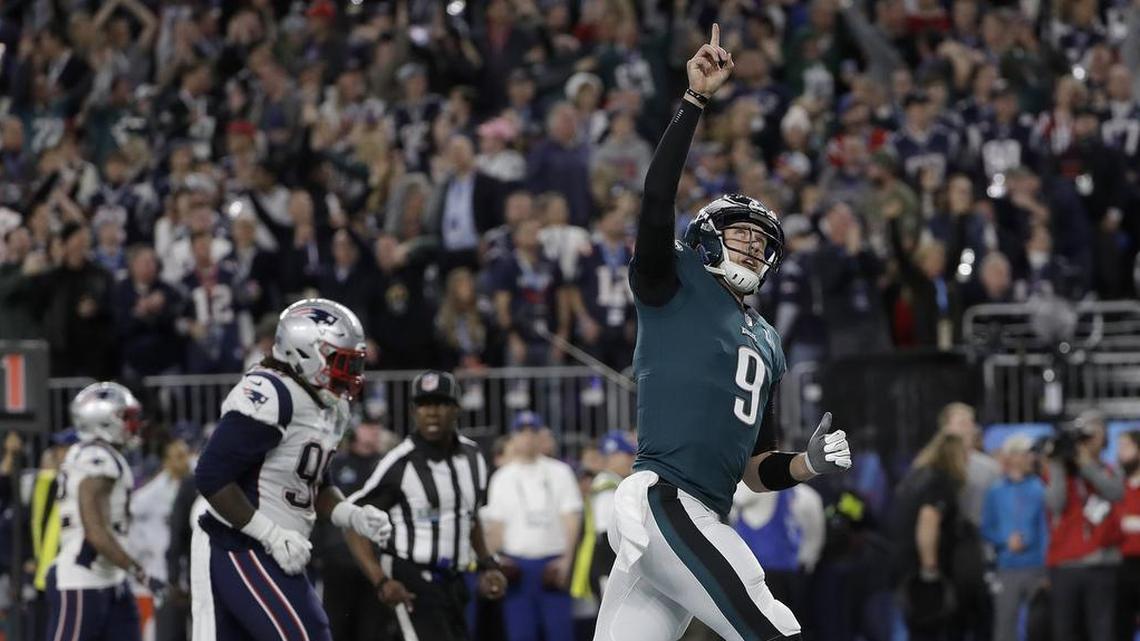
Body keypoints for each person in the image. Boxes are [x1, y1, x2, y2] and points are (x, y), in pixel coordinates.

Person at [593, 26, 853, 641]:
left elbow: (755, 469)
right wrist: (694, 101)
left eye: (763, 241)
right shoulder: (676, 282)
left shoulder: (767, 339)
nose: (754, 245)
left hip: (700, 511)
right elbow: (657, 197)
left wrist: (807, 465)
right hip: (665, 500)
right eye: (742, 233)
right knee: (771, 627)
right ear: (706, 237)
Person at [190, 298, 393, 641]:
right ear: (305, 352)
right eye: (341, 361)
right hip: (238, 542)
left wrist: (351, 515)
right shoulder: (272, 392)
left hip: (279, 547)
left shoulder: (330, 405)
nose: (351, 372)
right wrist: (270, 533)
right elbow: (210, 475)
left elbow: (313, 483)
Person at [344, 370, 507, 641]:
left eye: (440, 403)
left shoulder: (473, 457)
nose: (432, 412)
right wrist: (380, 580)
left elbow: (470, 517)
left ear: (456, 409)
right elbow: (353, 521)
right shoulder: (399, 463)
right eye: (424, 404)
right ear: (413, 411)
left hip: (455, 580)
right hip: (411, 581)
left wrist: (488, 564)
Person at [47, 382, 158, 641]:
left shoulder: (100, 454)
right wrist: (139, 572)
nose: (134, 424)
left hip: (110, 578)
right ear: (104, 421)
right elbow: (95, 530)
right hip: (82, 579)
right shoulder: (97, 457)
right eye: (126, 417)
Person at [484, 410, 583, 641]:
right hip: (516, 567)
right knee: (520, 634)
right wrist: (495, 561)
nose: (528, 437)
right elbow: (496, 527)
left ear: (542, 436)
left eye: (533, 432)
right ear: (513, 437)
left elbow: (571, 519)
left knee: (560, 634)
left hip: (552, 565)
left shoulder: (560, 472)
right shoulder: (502, 477)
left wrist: (567, 561)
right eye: (522, 432)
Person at [1044, 410, 1125, 641]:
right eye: (1085, 433)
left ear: (1104, 438)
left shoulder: (1110, 469)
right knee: (1065, 632)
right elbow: (1055, 504)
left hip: (1102, 563)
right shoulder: (1062, 471)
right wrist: (1057, 464)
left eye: (1095, 432)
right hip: (1065, 563)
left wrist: (1087, 464)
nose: (1090, 439)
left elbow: (1115, 492)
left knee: (1102, 632)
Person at [315, 420, 396, 641]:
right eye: (368, 425)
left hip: (376, 562)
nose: (375, 430)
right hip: (338, 560)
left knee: (374, 631)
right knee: (336, 627)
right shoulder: (334, 464)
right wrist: (318, 552)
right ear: (355, 429)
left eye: (377, 426)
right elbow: (318, 507)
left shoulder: (387, 465)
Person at [890, 431, 969, 640]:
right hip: (923, 571)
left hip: (904, 564)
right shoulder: (940, 481)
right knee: (931, 627)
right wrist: (930, 568)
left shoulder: (916, 476)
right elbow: (928, 520)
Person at [730, 479, 826, 629]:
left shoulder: (805, 497)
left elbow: (814, 536)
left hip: (774, 574)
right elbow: (814, 537)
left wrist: (804, 563)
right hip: (772, 571)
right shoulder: (807, 496)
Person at [980, 434, 1049, 641]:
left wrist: (1047, 568)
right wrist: (1005, 540)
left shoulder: (1039, 488)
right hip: (1007, 567)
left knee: (1040, 627)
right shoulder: (995, 491)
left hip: (1036, 567)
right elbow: (986, 527)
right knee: (1005, 627)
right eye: (1026, 454)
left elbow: (1045, 529)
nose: (1031, 458)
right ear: (1012, 457)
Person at [129, 439, 192, 637]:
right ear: (166, 461)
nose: (183, 461)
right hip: (164, 573)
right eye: (178, 457)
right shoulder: (155, 491)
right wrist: (147, 549)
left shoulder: (195, 485)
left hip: (190, 571)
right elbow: (133, 509)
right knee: (168, 632)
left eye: (185, 455)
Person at [1117, 430, 1140, 641]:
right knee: (1120, 627)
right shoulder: (1115, 487)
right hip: (1119, 565)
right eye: (1118, 447)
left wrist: (1128, 523)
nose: (1120, 453)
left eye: (1126, 447)